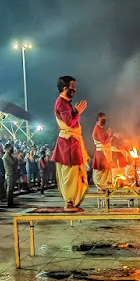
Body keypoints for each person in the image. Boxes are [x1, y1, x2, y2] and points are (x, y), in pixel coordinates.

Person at [51, 76, 89, 212]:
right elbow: (69, 122)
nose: (75, 90)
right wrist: (78, 112)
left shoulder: (66, 102)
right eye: (72, 87)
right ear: (65, 88)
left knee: (76, 173)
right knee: (70, 174)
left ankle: (73, 201)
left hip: (72, 141)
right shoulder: (61, 102)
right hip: (68, 143)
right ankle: (69, 203)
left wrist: (76, 112)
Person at [91, 112, 112, 192]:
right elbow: (104, 141)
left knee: (104, 171)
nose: (104, 120)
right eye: (103, 118)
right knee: (101, 170)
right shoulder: (98, 129)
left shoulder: (100, 129)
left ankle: (102, 187)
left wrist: (106, 134)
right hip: (101, 153)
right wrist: (109, 135)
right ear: (99, 118)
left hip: (102, 152)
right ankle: (100, 187)